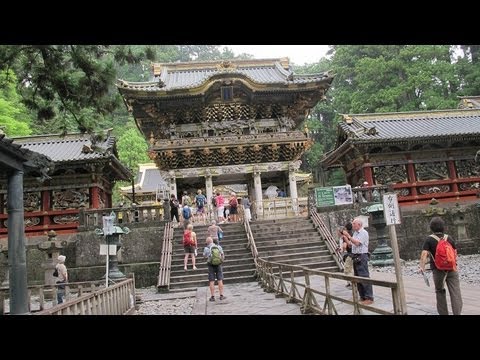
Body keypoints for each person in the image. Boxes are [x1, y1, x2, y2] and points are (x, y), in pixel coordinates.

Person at [419, 216, 462, 315]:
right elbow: (455, 252)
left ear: (431, 228)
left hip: (438, 270)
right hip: (452, 268)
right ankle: (457, 313)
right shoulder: (449, 238)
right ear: (443, 227)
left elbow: (424, 254)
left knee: (440, 291)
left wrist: (422, 267)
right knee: (455, 292)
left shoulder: (429, 239)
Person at [342, 217, 373, 305]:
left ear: (359, 225)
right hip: (355, 256)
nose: (352, 225)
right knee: (357, 277)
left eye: (354, 224)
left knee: (364, 276)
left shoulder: (363, 233)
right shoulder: (355, 233)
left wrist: (348, 236)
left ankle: (369, 297)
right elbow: (351, 245)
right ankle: (362, 296)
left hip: (362, 255)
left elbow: (357, 243)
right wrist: (346, 237)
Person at [203, 236, 225, 301]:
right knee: (220, 280)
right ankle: (221, 295)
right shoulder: (218, 246)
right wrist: (221, 261)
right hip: (218, 265)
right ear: (212, 241)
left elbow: (204, 256)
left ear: (207, 242)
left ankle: (212, 296)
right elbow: (222, 254)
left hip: (210, 265)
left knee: (211, 281)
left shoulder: (206, 248)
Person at [338, 222, 354, 287]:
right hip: (354, 253)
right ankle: (350, 282)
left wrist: (342, 250)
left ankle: (351, 282)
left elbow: (346, 245)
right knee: (351, 269)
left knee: (347, 269)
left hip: (349, 254)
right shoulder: (353, 234)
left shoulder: (346, 236)